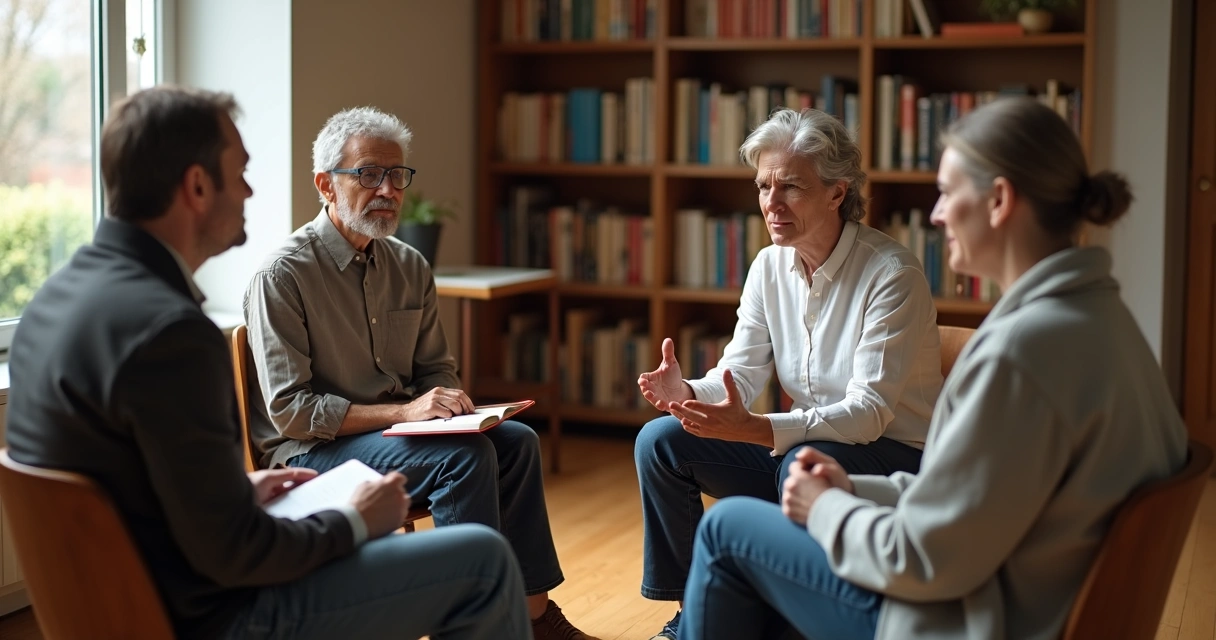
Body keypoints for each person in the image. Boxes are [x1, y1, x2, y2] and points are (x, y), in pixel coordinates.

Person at [4, 86, 531, 640]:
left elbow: (147, 496)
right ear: (198, 186)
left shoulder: (54, 301)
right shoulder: (172, 334)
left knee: (502, 466)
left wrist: (235, 495)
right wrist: (355, 520)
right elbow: (238, 554)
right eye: (241, 173)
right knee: (482, 560)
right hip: (215, 616)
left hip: (130, 606)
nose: (250, 190)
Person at [677, 97, 1191, 640]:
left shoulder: (1016, 356)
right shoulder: (1108, 322)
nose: (936, 215)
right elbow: (975, 501)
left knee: (727, 530)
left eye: (946, 193)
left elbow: (921, 559)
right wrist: (855, 490)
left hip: (963, 619)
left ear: (998, 201)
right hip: (1003, 588)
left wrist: (825, 508)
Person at [242, 106, 591, 640]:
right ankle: (472, 623)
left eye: (397, 175)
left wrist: (450, 407)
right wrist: (405, 412)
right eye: (368, 174)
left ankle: (534, 616)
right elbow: (292, 412)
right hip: (312, 450)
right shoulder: (282, 275)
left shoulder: (409, 266)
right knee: (463, 457)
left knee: (516, 442)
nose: (387, 189)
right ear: (325, 185)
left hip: (396, 434)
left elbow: (436, 371)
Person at [634, 107, 943, 639]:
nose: (771, 205)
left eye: (790, 188)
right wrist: (685, 394)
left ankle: (786, 621)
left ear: (836, 193)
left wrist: (760, 430)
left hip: (896, 457)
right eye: (763, 187)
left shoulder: (892, 275)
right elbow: (741, 375)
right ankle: (694, 613)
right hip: (801, 447)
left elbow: (868, 415)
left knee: (800, 461)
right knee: (660, 441)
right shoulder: (768, 266)